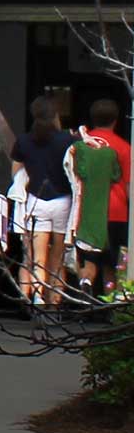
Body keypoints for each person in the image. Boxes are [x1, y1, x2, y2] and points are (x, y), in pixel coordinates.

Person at [12, 96, 77, 308]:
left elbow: (16, 172)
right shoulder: (67, 139)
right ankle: (55, 300)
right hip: (62, 201)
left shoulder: (23, 141)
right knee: (57, 256)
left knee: (38, 256)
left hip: (36, 200)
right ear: (55, 115)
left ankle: (37, 297)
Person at [81, 99, 129, 296]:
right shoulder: (124, 148)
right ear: (115, 121)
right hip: (116, 212)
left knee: (89, 260)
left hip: (88, 212)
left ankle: (85, 290)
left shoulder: (81, 144)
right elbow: (128, 186)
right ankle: (112, 307)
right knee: (113, 263)